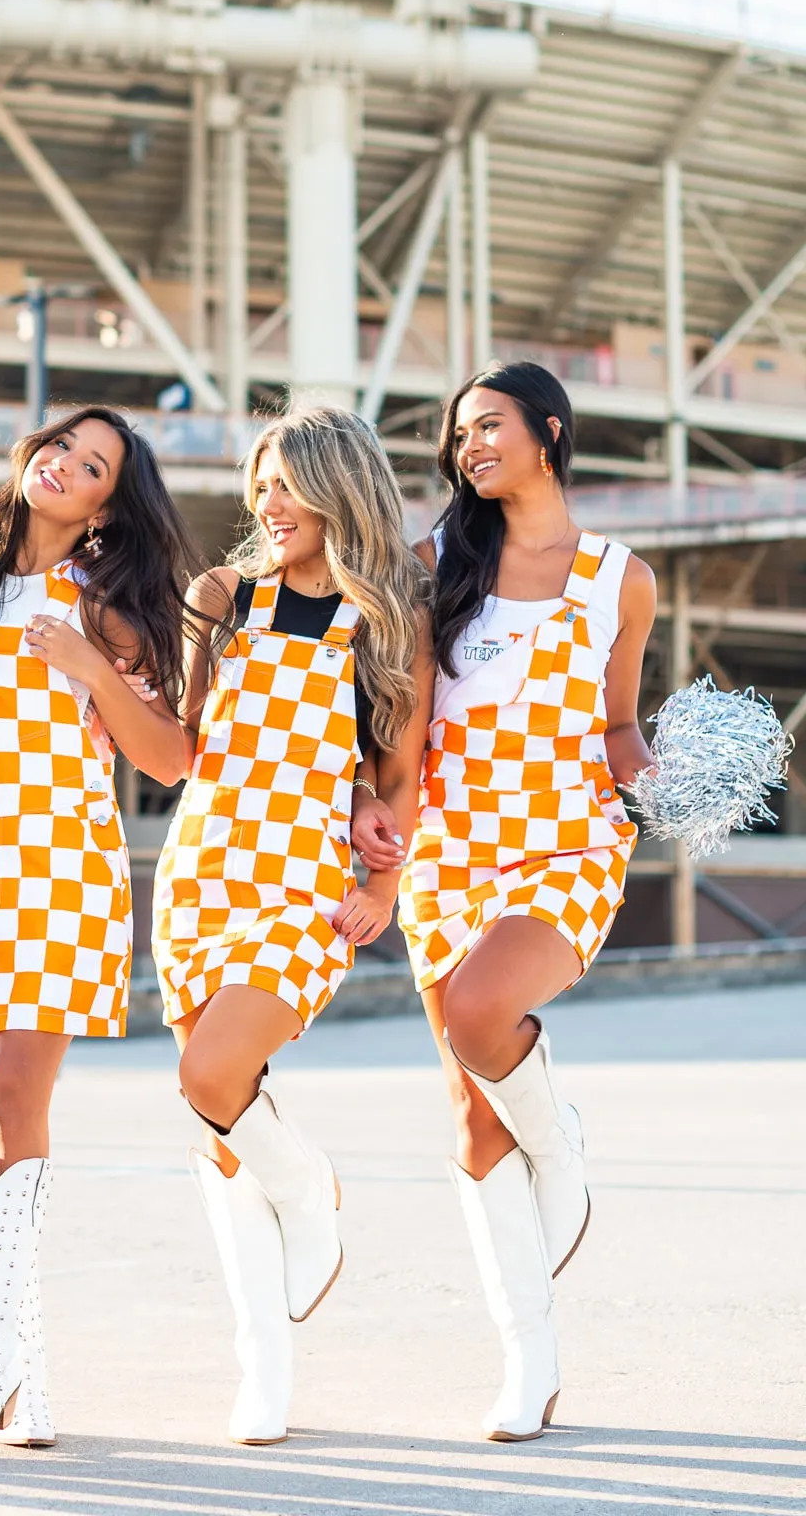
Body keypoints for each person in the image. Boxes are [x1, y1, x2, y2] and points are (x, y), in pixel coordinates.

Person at [0, 408, 197, 1464]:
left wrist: (85, 659)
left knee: (16, 1103)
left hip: (61, 874)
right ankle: (28, 1371)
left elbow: (169, 757)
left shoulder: (112, 609)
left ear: (107, 505)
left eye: (92, 466)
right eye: (60, 447)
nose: (64, 466)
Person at [387, 361, 656, 1441]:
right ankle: (529, 1361)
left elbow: (620, 725)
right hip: (446, 853)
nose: (470, 446)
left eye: (488, 425)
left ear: (550, 429)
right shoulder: (433, 561)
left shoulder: (618, 577)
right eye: (460, 434)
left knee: (478, 1012)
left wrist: (667, 774)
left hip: (567, 844)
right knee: (467, 1111)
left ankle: (562, 1145)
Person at [153, 403, 430, 1445]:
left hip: (300, 888)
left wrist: (383, 885)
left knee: (211, 1077)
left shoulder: (390, 617)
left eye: (288, 483)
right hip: (198, 875)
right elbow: (185, 738)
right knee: (221, 1137)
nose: (268, 504)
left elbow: (397, 774)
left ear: (339, 487)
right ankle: (262, 1363)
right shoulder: (220, 596)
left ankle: (309, 1183)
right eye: (259, 484)